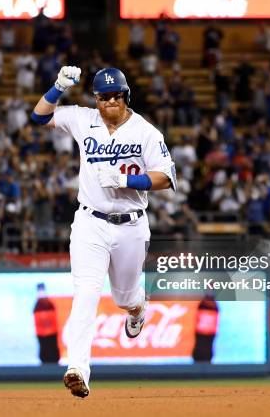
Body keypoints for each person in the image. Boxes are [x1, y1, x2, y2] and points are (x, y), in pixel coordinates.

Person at [31, 66, 177, 398]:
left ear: (126, 96)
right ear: (95, 99)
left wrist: (129, 180)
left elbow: (166, 178)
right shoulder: (83, 119)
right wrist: (56, 88)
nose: (111, 101)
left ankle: (138, 308)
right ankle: (77, 369)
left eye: (116, 96)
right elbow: (39, 118)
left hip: (131, 225)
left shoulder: (145, 132)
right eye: (104, 96)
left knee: (124, 297)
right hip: (89, 223)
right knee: (86, 294)